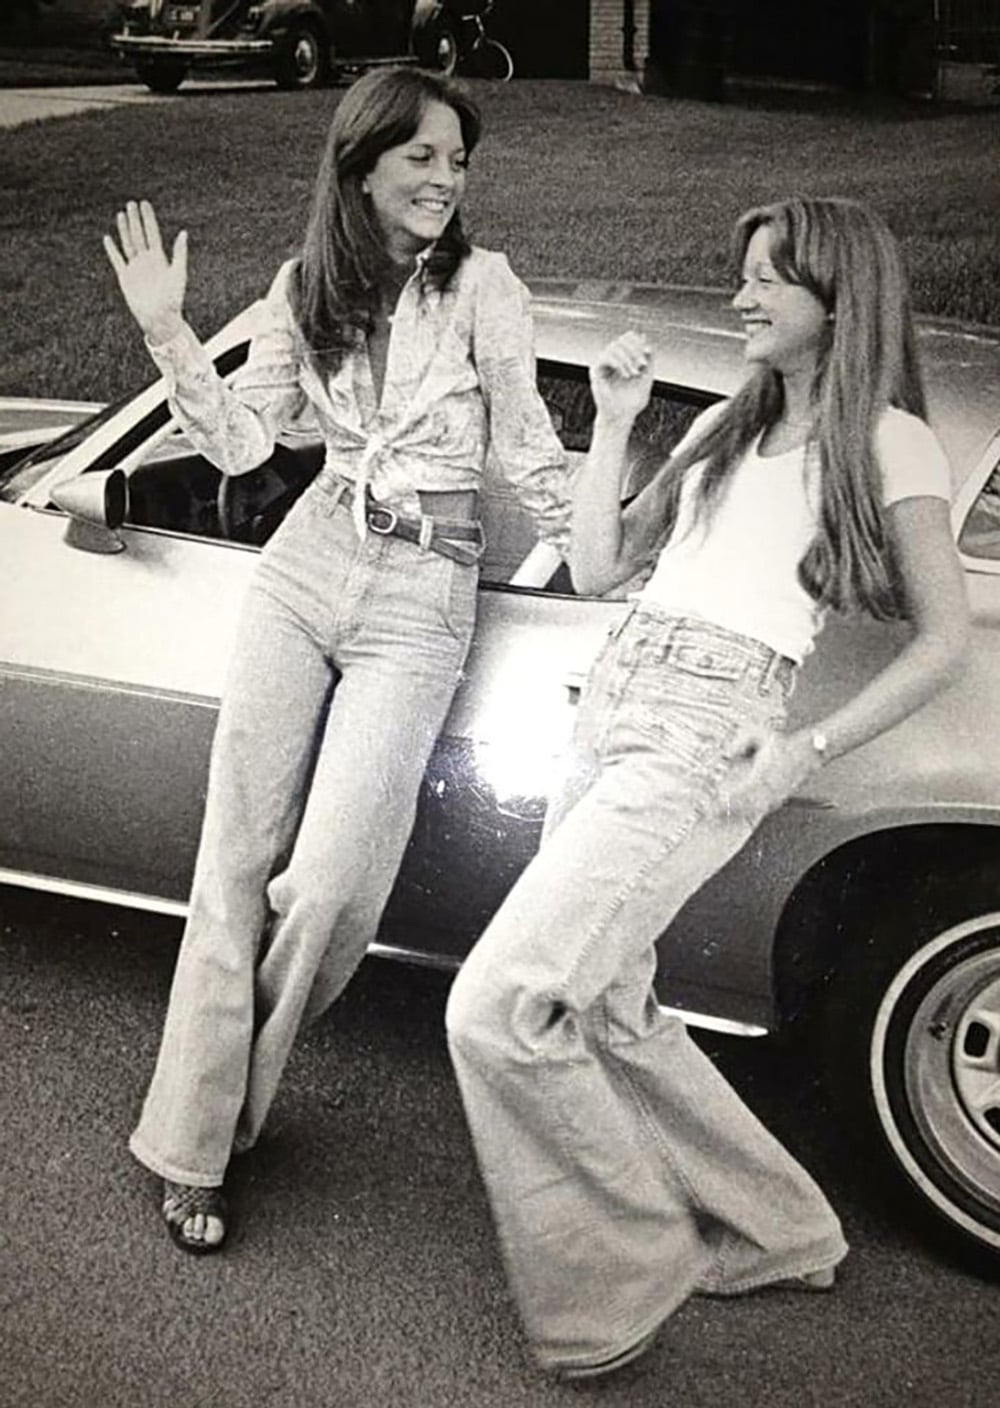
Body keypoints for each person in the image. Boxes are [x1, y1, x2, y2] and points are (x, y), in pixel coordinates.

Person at [445, 196, 969, 1379]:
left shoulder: (889, 440)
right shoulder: (733, 421)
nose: (741, 295)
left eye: (768, 278)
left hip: (708, 726)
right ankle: (785, 1228)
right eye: (743, 274)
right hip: (614, 696)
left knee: (499, 1005)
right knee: (607, 999)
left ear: (835, 297)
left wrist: (805, 748)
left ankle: (624, 1262)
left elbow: (942, 642)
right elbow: (596, 566)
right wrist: (615, 422)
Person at [103, 66, 569, 1254]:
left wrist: (613, 547)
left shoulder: (486, 288)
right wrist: (166, 329)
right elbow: (245, 443)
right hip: (306, 566)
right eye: (422, 156)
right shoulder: (303, 285)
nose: (445, 178)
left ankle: (224, 1103)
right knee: (233, 858)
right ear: (361, 165)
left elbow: (527, 448)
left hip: (421, 595)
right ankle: (197, 1144)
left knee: (327, 886)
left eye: (457, 160)